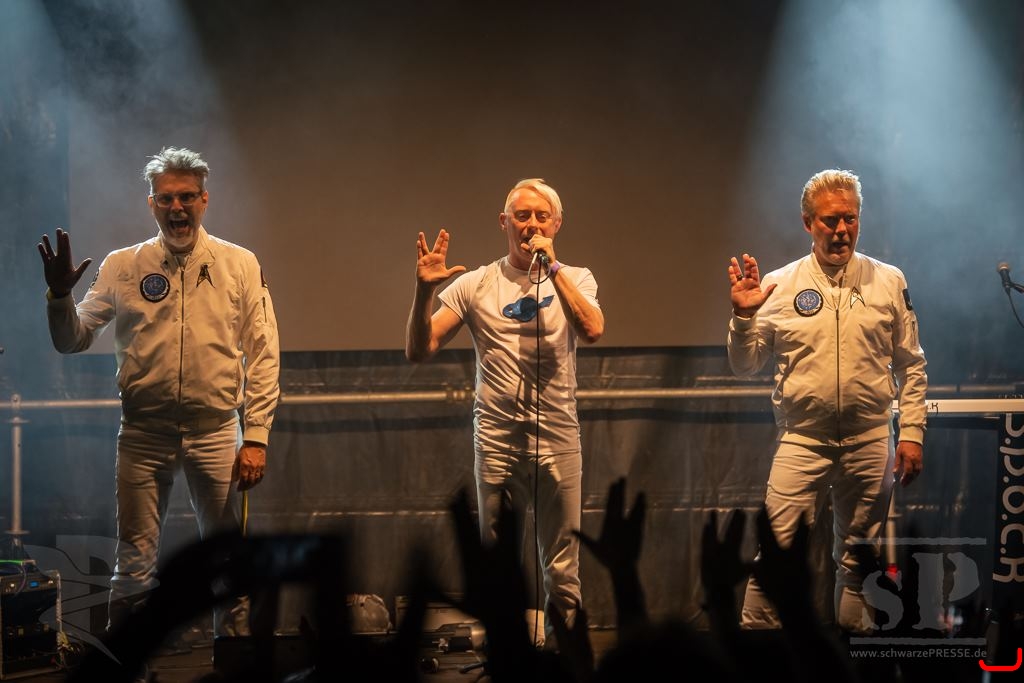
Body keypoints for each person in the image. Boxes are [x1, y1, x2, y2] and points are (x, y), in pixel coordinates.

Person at [38, 146, 280, 636]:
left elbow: (264, 352)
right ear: (151, 203)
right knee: (133, 563)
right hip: (144, 433)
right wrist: (60, 296)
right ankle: (129, 665)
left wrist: (255, 435)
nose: (177, 207)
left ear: (204, 199)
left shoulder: (239, 264)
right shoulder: (123, 265)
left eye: (187, 196)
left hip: (216, 431)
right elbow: (71, 340)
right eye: (166, 198)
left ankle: (232, 660)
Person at [726, 168, 927, 634]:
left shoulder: (888, 281)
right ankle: (760, 662)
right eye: (830, 220)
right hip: (802, 440)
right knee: (776, 557)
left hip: (870, 439)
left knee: (859, 562)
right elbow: (745, 365)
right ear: (807, 223)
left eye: (850, 219)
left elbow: (911, 363)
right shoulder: (779, 285)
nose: (841, 230)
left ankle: (851, 661)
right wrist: (742, 318)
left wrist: (912, 433)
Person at [405, 178, 604, 645]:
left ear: (556, 224)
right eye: (522, 215)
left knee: (563, 569)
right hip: (496, 443)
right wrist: (423, 292)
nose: (531, 224)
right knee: (496, 569)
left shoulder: (577, 277)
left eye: (541, 216)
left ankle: (566, 661)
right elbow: (419, 349)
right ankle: (507, 660)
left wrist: (552, 266)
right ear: (504, 222)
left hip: (558, 438)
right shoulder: (475, 284)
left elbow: (592, 328)